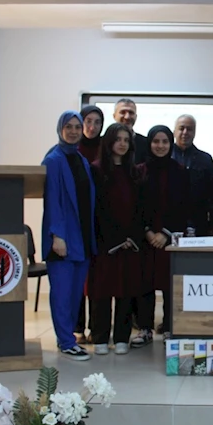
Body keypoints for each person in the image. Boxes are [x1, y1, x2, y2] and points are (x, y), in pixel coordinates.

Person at [87, 123, 147, 356]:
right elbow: (97, 209)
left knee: (126, 292)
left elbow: (140, 209)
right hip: (105, 243)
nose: (122, 144)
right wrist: (114, 238)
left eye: (126, 140)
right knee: (101, 292)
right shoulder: (96, 170)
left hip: (130, 244)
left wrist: (132, 237)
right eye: (118, 139)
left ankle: (122, 336)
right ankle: (100, 336)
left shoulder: (135, 172)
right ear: (109, 142)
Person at [41, 110, 97, 361]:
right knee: (62, 294)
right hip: (62, 239)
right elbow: (52, 200)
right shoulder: (53, 160)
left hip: (82, 237)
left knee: (75, 294)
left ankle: (68, 337)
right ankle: (65, 341)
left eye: (77, 127)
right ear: (60, 129)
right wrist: (57, 236)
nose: (74, 131)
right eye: (69, 127)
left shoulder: (80, 159)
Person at [140, 125, 191, 343]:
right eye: (156, 141)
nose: (160, 146)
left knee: (170, 284)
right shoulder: (139, 170)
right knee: (145, 284)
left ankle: (170, 327)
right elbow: (136, 207)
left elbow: (184, 207)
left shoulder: (180, 171)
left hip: (170, 239)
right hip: (146, 239)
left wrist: (165, 233)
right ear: (149, 143)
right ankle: (144, 328)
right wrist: (148, 232)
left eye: (165, 142)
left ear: (171, 144)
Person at [73, 104, 103, 344]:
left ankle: (96, 327)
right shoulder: (71, 150)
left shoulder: (106, 148)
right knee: (78, 278)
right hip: (77, 221)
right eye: (88, 121)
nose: (92, 127)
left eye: (97, 122)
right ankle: (77, 327)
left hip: (100, 222)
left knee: (96, 280)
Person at [172, 114, 213, 237]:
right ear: (174, 131)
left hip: (199, 224)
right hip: (170, 224)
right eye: (181, 128)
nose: (185, 132)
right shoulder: (165, 157)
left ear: (195, 132)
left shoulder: (205, 159)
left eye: (190, 129)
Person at [113, 98, 148, 163]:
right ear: (114, 116)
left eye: (131, 113)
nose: (127, 117)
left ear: (136, 117)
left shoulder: (146, 144)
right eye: (123, 112)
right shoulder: (102, 143)